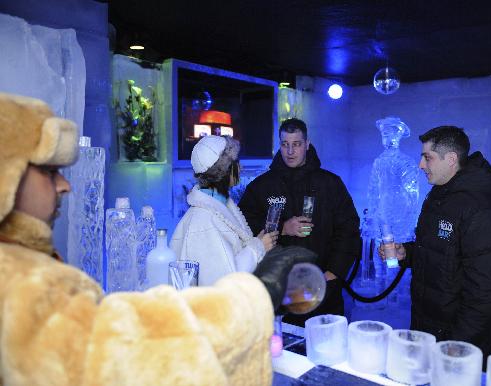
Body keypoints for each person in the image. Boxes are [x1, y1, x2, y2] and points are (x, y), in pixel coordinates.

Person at [0, 92, 314, 385]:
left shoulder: (30, 265)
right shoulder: (16, 282)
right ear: (7, 178)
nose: (65, 185)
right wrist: (256, 287)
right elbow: (120, 357)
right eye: (50, 171)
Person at [380, 125, 491, 360]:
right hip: (429, 327)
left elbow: (485, 293)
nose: (420, 165)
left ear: (451, 159)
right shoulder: (439, 198)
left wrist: (454, 346)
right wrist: (405, 253)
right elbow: (440, 253)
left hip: (460, 345)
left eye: (427, 157)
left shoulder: (482, 210)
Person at [239, 118, 362, 325]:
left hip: (323, 288)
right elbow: (242, 225)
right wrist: (282, 228)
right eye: (285, 144)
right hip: (278, 289)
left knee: (326, 350)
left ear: (307, 144)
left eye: (296, 144)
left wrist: (334, 272)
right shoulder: (262, 186)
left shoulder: (330, 184)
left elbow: (348, 229)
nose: (290, 151)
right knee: (282, 351)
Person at [170, 135, 279, 285]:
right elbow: (222, 282)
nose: (241, 168)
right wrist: (258, 247)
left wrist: (258, 242)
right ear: (224, 171)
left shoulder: (219, 207)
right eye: (236, 163)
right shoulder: (203, 221)